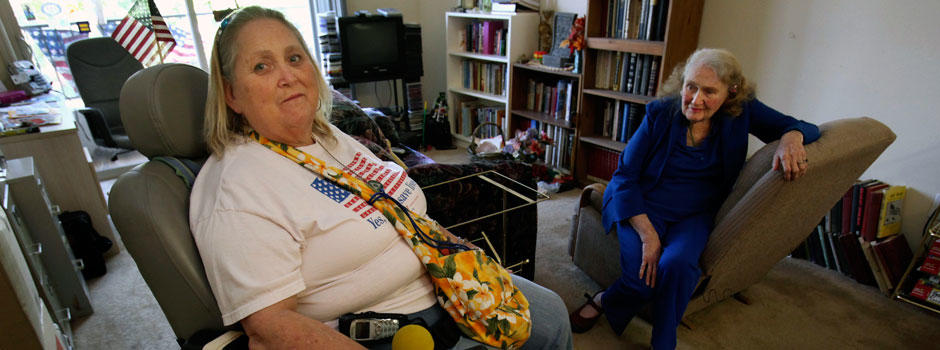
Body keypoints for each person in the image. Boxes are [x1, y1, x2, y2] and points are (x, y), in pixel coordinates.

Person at [189, 6, 572, 349]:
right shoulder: (236, 188)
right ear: (231, 94)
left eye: (294, 57)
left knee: (552, 314)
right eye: (262, 66)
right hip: (391, 327)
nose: (288, 76)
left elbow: (400, 210)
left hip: (445, 281)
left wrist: (464, 256)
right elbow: (270, 327)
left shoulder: (327, 136)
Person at [568, 48, 821, 349]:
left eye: (709, 91)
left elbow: (807, 127)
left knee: (678, 266)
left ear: (731, 92)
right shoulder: (660, 113)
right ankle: (604, 300)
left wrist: (792, 137)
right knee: (639, 281)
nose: (695, 99)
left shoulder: (742, 111)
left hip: (694, 215)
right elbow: (625, 175)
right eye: (691, 87)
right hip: (643, 205)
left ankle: (664, 341)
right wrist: (648, 235)